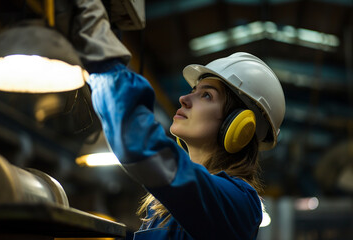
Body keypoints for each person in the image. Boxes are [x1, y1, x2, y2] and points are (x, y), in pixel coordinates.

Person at [60, 0, 285, 239]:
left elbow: (139, 145)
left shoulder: (240, 204)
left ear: (238, 126)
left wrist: (103, 57)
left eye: (206, 95)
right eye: (193, 90)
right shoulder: (160, 208)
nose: (184, 99)